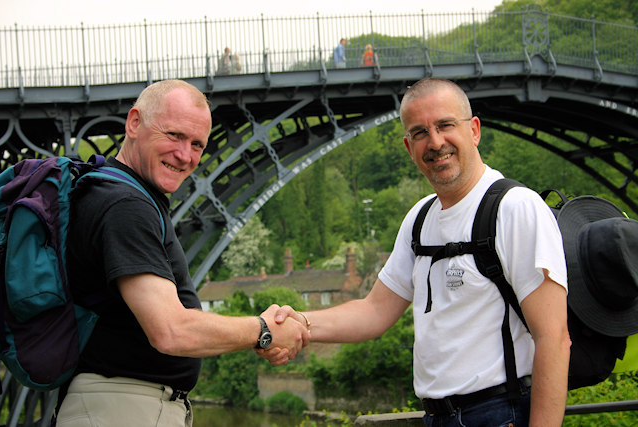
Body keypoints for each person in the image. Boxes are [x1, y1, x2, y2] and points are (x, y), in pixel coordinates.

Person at [261, 78, 571, 426]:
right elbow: (374, 311)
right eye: (421, 132)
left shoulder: (515, 209)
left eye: (445, 125)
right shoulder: (420, 219)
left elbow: (554, 339)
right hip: (437, 417)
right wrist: (303, 322)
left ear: (474, 130)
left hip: (499, 412)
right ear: (409, 147)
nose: (436, 142)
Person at [57, 79, 309, 427]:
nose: (185, 155)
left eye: (197, 144)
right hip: (122, 410)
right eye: (174, 136)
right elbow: (170, 330)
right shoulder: (124, 204)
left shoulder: (112, 190)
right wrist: (262, 329)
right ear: (134, 123)